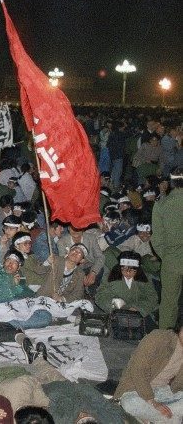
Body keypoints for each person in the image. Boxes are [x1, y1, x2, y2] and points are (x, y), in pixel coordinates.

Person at [115, 317, 183, 423]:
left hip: (163, 392)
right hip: (136, 391)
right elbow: (137, 370)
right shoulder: (158, 337)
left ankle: (151, 417)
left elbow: (179, 387)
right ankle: (170, 419)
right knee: (130, 404)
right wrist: (152, 402)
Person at [151, 167, 183, 329]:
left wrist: (168, 256)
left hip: (172, 260)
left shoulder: (161, 205)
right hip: (172, 257)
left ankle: (164, 340)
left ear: (172, 182)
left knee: (169, 302)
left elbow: (156, 239)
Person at [95, 251, 158, 318]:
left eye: (132, 270)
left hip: (140, 314)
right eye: (124, 269)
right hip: (116, 314)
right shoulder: (110, 277)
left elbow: (152, 297)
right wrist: (115, 305)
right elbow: (100, 296)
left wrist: (137, 308)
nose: (128, 273)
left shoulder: (144, 278)